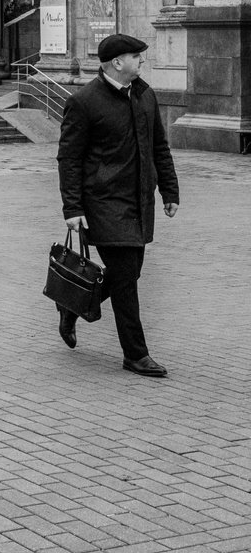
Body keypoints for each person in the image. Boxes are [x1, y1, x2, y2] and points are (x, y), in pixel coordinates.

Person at [56, 33, 180, 377]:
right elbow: (69, 159)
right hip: (103, 203)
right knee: (126, 279)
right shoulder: (84, 102)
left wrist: (169, 191)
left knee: (129, 273)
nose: (142, 61)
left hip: (139, 201)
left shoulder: (145, 95)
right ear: (117, 63)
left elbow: (160, 147)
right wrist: (73, 208)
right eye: (136, 56)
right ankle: (136, 354)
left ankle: (72, 305)